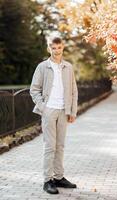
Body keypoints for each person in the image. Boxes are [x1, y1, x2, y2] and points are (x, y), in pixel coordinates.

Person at [30, 36, 78, 194]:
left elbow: (73, 91)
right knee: (50, 146)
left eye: (59, 48)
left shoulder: (68, 67)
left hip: (64, 111)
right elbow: (34, 89)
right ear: (49, 48)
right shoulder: (42, 67)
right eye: (53, 48)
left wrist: (72, 111)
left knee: (60, 146)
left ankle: (59, 177)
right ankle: (47, 180)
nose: (56, 51)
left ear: (63, 47)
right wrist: (43, 107)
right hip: (49, 110)